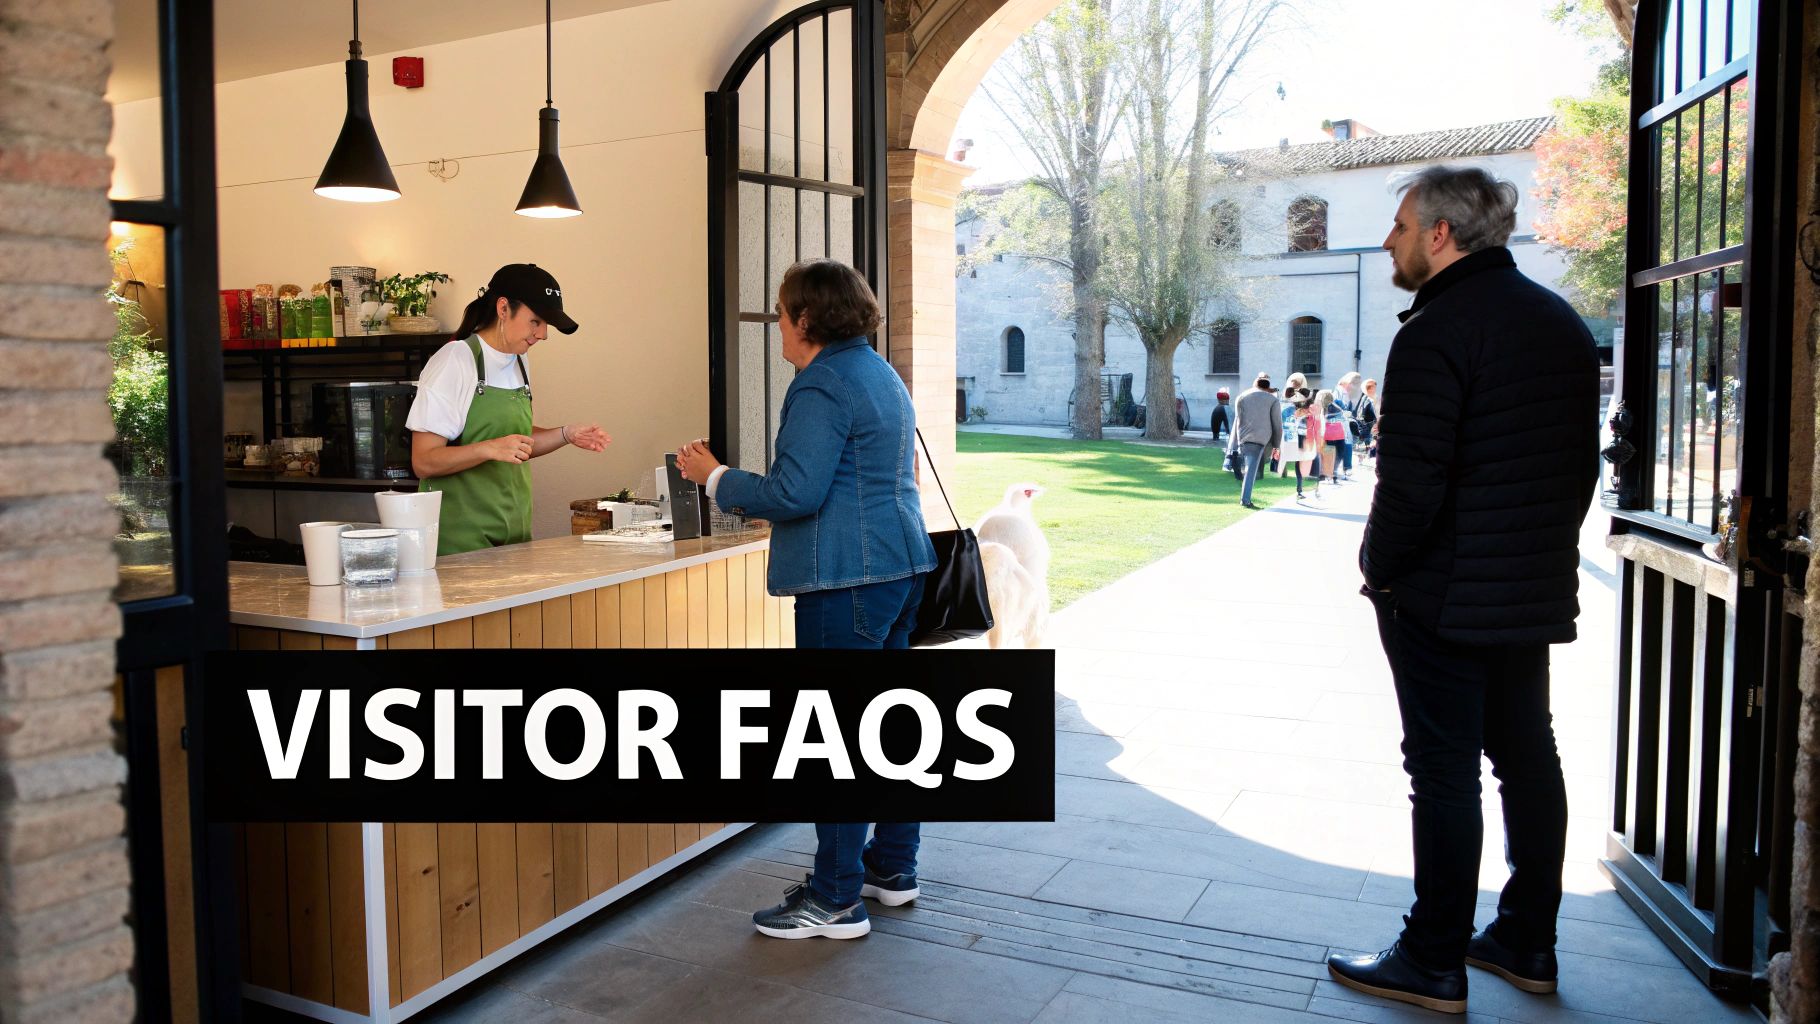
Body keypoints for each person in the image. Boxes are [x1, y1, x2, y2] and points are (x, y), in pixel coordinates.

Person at [1328, 165, 1599, 1014]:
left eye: (1402, 226)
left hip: (1444, 595)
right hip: (1528, 589)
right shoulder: (1558, 320)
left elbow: (1412, 483)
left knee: (1443, 772)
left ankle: (1432, 957)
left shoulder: (1437, 328)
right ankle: (1526, 939)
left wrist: (1380, 568)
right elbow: (1579, 469)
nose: (1391, 241)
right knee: (1527, 760)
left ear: (1441, 234)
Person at [673, 259, 936, 941]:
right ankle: (891, 868)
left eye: (784, 312)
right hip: (899, 567)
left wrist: (716, 476)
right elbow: (859, 478)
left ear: (807, 319)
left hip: (843, 580)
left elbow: (796, 492)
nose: (779, 327)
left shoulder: (820, 383)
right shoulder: (878, 372)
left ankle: (836, 899)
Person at [407, 264, 610, 555]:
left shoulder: (518, 361)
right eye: (536, 322)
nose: (543, 335)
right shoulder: (456, 360)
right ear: (503, 308)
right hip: (459, 544)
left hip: (513, 536)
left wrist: (566, 434)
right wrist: (487, 449)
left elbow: (515, 443)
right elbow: (424, 461)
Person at [1229, 373, 1281, 510]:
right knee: (1251, 469)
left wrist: (1236, 442)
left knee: (1250, 467)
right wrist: (1277, 445)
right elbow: (1277, 424)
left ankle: (1245, 497)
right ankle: (1245, 500)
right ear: (1267, 386)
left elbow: (1237, 420)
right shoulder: (1273, 400)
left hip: (1244, 437)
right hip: (1261, 438)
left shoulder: (1241, 396)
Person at [1335, 372, 1363, 479]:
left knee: (1347, 443)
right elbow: (1336, 406)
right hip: (1338, 422)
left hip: (1344, 422)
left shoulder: (1346, 393)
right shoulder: (1338, 391)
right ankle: (1343, 468)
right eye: (1352, 383)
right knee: (1343, 444)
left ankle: (1346, 467)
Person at [1356, 378, 1380, 465]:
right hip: (1367, 422)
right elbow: (1366, 411)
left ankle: (1364, 457)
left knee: (1367, 439)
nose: (1375, 389)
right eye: (1373, 387)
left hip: (1367, 422)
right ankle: (1362, 457)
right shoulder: (1368, 398)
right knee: (1365, 439)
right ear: (1368, 388)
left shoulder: (1368, 397)